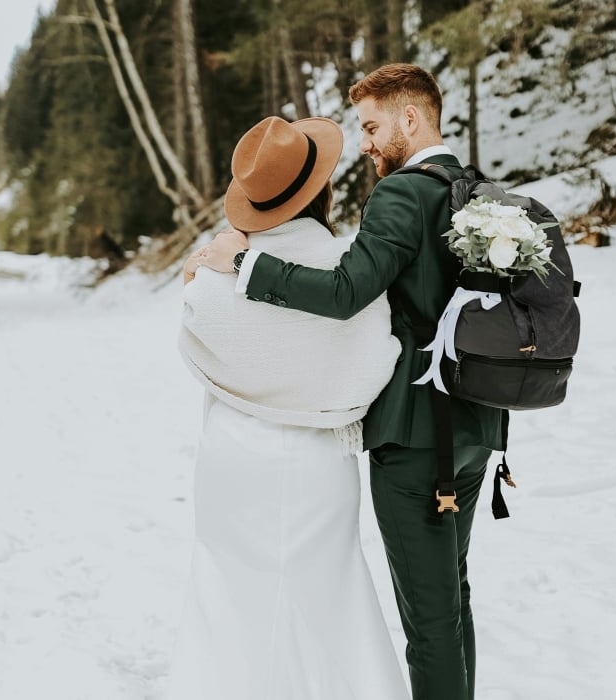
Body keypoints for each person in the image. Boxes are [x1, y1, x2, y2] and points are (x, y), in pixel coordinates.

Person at [200, 64, 505, 700]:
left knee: (429, 624)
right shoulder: (476, 189)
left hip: (417, 439)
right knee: (453, 598)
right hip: (478, 425)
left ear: (412, 118)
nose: (364, 143)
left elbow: (344, 294)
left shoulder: (400, 194)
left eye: (371, 126)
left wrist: (246, 264)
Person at [169, 115, 409, 700]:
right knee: (330, 595)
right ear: (321, 190)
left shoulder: (216, 273)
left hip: (232, 457)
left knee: (227, 594)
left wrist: (201, 268)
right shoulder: (349, 270)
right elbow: (380, 357)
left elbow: (197, 330)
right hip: (317, 460)